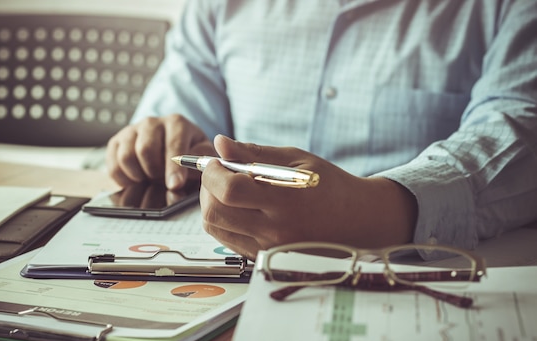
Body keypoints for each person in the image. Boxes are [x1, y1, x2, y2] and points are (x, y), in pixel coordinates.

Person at [106, 0, 537, 260]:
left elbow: (521, 124)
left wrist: (379, 211)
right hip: (232, 285)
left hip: (421, 282)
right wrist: (157, 138)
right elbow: (180, 114)